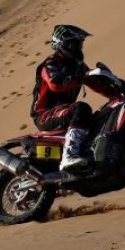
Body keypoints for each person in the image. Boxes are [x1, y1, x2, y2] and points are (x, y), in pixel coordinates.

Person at [31, 24, 93, 171]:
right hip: (44, 115)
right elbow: (55, 84)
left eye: (80, 44)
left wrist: (119, 90)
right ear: (64, 44)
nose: (79, 48)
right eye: (76, 44)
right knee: (81, 108)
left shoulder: (77, 66)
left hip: (65, 113)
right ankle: (69, 155)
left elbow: (96, 82)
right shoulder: (50, 64)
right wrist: (79, 78)